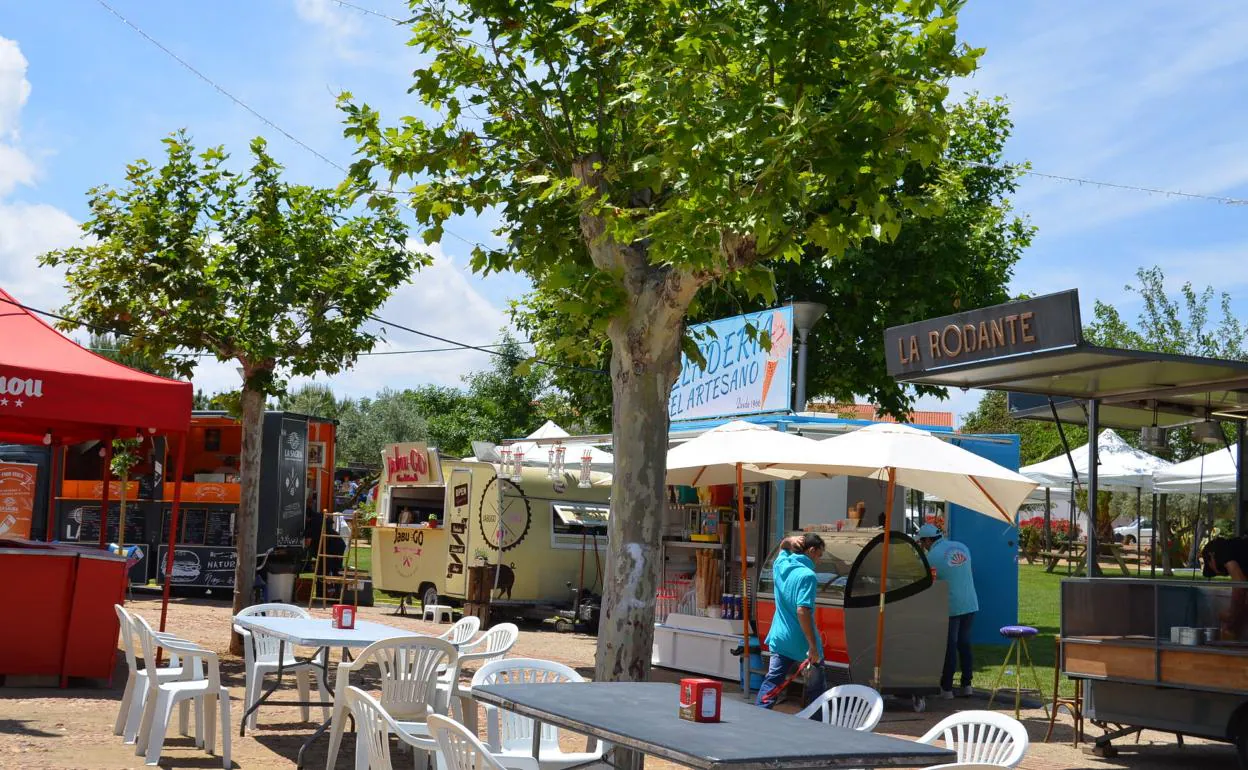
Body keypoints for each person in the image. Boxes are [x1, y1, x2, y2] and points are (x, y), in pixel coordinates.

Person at [756, 532, 827, 709]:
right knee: (816, 690)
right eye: (819, 555)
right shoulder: (808, 575)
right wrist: (812, 645)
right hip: (802, 643)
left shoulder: (781, 565)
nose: (818, 561)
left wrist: (789, 540)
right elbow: (803, 611)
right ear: (811, 550)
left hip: (780, 638)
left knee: (772, 683)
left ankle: (758, 717)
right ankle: (816, 727)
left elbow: (783, 547)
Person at [917, 523, 978, 699]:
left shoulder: (932, 557)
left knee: (950, 647)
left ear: (928, 540)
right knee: (965, 645)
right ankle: (967, 685)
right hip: (970, 603)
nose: (923, 546)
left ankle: (947, 688)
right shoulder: (962, 547)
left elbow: (928, 581)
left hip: (950, 606)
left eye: (923, 542)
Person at [1201, 537, 1248, 638]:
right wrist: (1233, 621)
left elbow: (1240, 585)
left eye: (1212, 569)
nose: (1222, 573)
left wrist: (1231, 614)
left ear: (1211, 556)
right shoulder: (1242, 559)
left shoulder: (1221, 550)